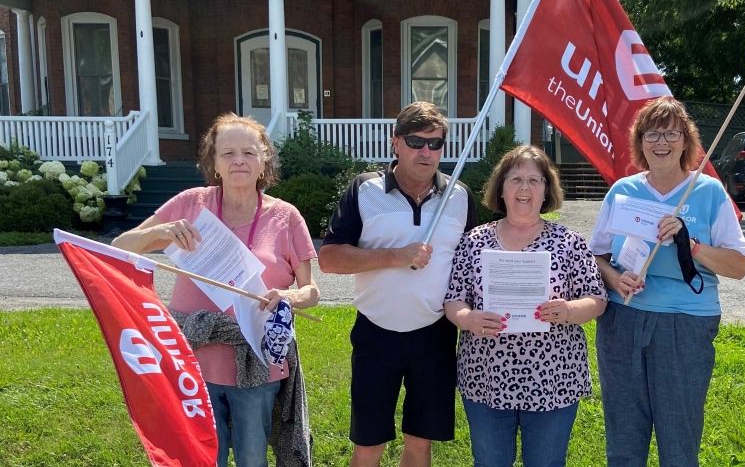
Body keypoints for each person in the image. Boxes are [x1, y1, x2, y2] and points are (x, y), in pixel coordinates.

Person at [112, 113, 320, 467]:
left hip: (257, 364)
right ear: (214, 163)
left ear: (264, 161)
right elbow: (120, 246)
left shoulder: (286, 217)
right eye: (228, 153)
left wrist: (288, 297)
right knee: (200, 459)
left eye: (249, 152)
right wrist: (160, 234)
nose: (239, 160)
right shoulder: (190, 204)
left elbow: (312, 291)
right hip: (191, 364)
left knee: (252, 459)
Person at [590, 96, 745, 466]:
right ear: (640, 141)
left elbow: (739, 266)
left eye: (671, 134)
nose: (661, 143)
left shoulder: (708, 191)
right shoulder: (623, 191)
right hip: (623, 319)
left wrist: (691, 245)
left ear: (686, 141)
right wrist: (615, 279)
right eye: (652, 134)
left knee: (679, 432)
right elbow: (595, 254)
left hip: (685, 322)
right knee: (624, 431)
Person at [318, 101, 478, 467]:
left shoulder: (459, 196)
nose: (426, 151)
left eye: (435, 143)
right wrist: (394, 256)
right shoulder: (365, 190)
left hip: (434, 334)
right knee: (368, 443)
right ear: (396, 143)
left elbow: (472, 265)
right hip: (376, 332)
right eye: (416, 141)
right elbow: (329, 258)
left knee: (420, 443)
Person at [444, 145, 606, 467]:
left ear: (546, 190)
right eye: (516, 179)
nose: (524, 188)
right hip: (487, 375)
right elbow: (453, 300)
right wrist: (468, 318)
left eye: (535, 180)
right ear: (500, 189)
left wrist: (570, 311)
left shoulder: (569, 241)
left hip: (553, 377)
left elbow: (597, 299)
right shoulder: (474, 240)